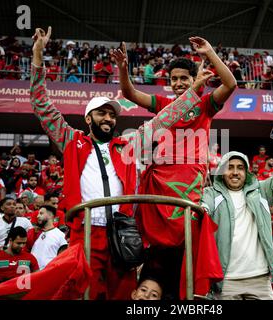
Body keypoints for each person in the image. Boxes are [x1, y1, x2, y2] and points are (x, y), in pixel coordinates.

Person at [30, 27, 207, 300]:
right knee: (83, 294)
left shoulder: (128, 145)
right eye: (102, 113)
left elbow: (165, 118)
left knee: (124, 296)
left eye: (112, 116)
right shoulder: (70, 141)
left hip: (122, 236)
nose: (108, 119)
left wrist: (194, 91)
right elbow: (42, 105)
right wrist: (38, 58)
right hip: (85, 233)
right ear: (88, 118)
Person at [114, 36, 236, 298]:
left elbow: (231, 83)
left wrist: (210, 52)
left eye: (184, 78)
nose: (179, 83)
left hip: (189, 178)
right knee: (155, 245)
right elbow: (129, 93)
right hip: (159, 176)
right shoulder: (165, 105)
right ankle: (147, 292)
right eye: (174, 79)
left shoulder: (206, 105)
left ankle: (189, 295)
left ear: (195, 80)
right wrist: (123, 68)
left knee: (184, 242)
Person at [200, 127, 273, 300]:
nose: (235, 172)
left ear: (247, 172)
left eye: (240, 168)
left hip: (260, 278)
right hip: (225, 279)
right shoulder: (211, 193)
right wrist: (203, 209)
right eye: (230, 168)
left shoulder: (261, 190)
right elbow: (203, 208)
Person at [29, 205, 68, 270]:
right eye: (38, 213)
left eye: (41, 213)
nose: (38, 216)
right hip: (33, 274)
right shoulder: (36, 234)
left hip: (49, 273)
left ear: (51, 216)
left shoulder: (60, 235)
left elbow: (63, 258)